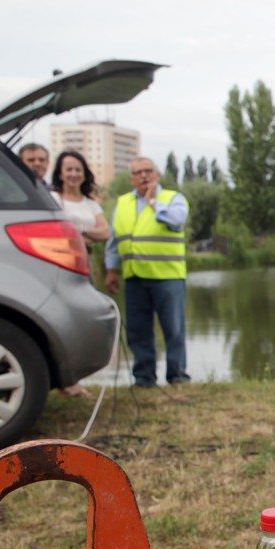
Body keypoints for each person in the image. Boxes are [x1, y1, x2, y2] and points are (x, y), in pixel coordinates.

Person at [104, 157, 191, 388]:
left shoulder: (173, 199)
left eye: (148, 171)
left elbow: (177, 221)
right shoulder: (122, 203)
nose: (144, 176)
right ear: (131, 178)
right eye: (138, 172)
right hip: (134, 277)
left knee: (173, 328)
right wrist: (111, 270)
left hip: (167, 276)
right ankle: (144, 377)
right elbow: (114, 240)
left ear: (157, 175)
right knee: (138, 330)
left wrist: (153, 202)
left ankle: (177, 375)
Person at [50, 150, 110, 397]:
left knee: (81, 319)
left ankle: (73, 380)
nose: (74, 174)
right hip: (58, 264)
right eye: (69, 169)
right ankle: (60, 380)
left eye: (78, 170)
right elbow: (55, 229)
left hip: (86, 264)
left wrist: (76, 228)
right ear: (61, 173)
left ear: (84, 174)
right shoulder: (52, 198)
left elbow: (105, 233)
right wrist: (87, 231)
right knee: (58, 318)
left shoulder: (91, 203)